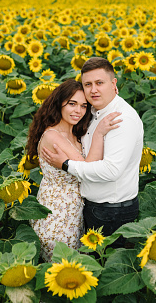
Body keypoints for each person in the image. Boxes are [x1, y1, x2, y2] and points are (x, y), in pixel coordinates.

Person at [41, 57, 144, 248]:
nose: (93, 90)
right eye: (87, 84)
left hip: (112, 211)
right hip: (86, 209)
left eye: (99, 83)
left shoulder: (121, 119)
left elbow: (111, 170)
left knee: (108, 266)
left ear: (114, 84)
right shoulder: (94, 112)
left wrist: (66, 164)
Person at [27, 79, 121, 262]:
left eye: (83, 106)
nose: (78, 111)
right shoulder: (53, 135)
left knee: (74, 267)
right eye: (72, 104)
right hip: (56, 214)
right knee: (60, 268)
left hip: (73, 212)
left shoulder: (76, 133)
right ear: (59, 103)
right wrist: (100, 133)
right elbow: (87, 169)